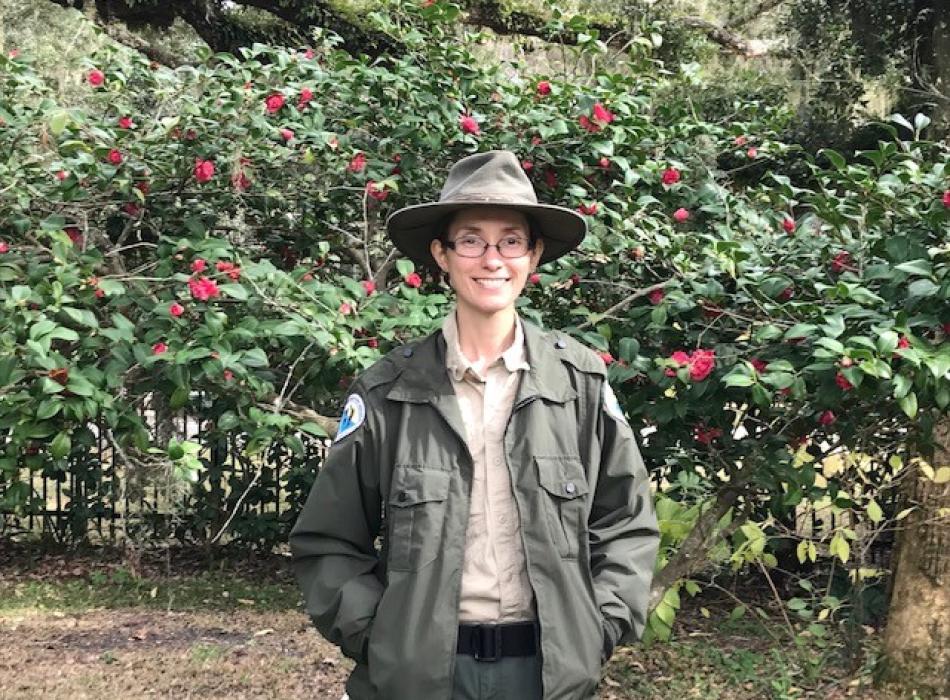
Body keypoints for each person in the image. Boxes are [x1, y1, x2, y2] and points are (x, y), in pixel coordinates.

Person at [290, 150, 659, 700]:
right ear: (441, 254)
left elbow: (626, 522)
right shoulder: (388, 391)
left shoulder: (578, 384)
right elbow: (329, 541)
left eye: (511, 240)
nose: (492, 259)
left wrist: (598, 628)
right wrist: (382, 640)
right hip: (422, 680)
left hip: (547, 677)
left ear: (532, 255)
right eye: (471, 240)